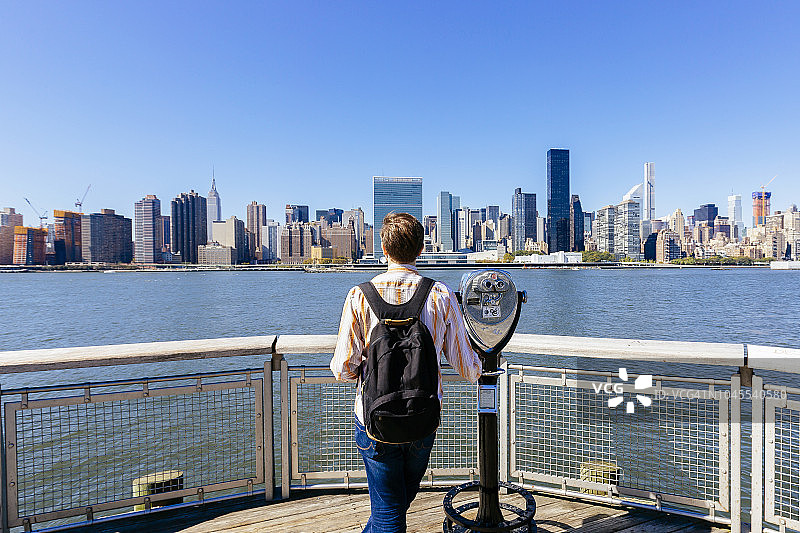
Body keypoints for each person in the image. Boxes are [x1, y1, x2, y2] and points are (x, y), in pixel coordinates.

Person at [330, 212, 482, 533]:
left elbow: (343, 368)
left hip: (374, 419)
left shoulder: (360, 296)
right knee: (395, 506)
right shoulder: (440, 294)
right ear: (421, 249)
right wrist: (490, 364)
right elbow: (467, 367)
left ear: (384, 248)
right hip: (423, 417)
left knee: (389, 510)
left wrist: (368, 367)